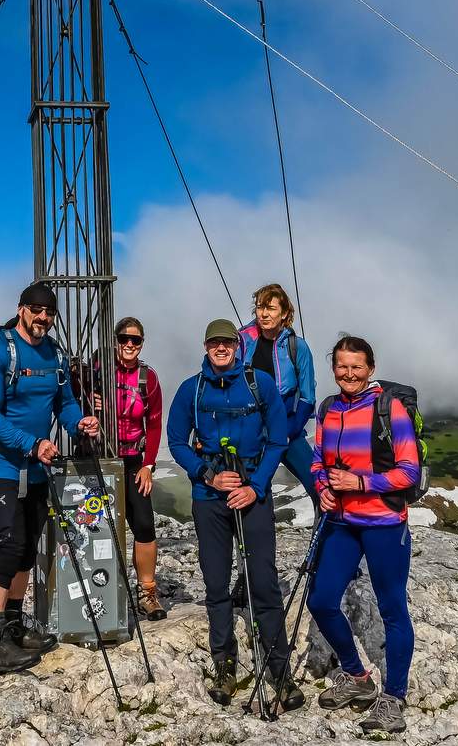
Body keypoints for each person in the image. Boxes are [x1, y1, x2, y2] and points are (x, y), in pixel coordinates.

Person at [167, 317, 304, 711]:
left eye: (227, 342)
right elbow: (177, 441)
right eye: (214, 343)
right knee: (215, 581)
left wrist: (254, 487)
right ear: (206, 347)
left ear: (237, 346)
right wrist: (207, 474)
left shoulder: (260, 384)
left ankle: (279, 668)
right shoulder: (191, 389)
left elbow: (278, 440)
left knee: (263, 580)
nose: (221, 348)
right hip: (208, 496)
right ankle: (224, 663)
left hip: (252, 494)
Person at [0, 281, 100, 674]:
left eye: (49, 312)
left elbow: (65, 402)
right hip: (1, 464)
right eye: (36, 310)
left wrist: (79, 423)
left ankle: (12, 627)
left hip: (38, 467)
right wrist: (32, 444)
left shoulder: (54, 353)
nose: (43, 318)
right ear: (21, 309)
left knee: (27, 548)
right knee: (7, 546)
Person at [306, 335, 419, 734]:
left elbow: (409, 472)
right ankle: (357, 677)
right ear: (333, 368)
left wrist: (360, 483)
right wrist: (322, 486)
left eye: (357, 367)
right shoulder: (328, 409)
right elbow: (318, 461)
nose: (349, 373)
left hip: (384, 523)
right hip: (342, 522)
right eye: (342, 366)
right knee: (321, 600)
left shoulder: (389, 409)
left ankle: (394, 698)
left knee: (392, 609)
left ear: (370, 368)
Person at [238, 283, 318, 510]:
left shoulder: (297, 347)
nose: (264, 314)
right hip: (252, 429)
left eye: (271, 308)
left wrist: (289, 432)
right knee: (254, 492)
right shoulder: (243, 342)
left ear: (284, 313)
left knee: (318, 486)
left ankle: (323, 530)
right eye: (260, 307)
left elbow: (308, 396)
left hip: (287, 427)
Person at [110, 315, 167, 620]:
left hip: (133, 459)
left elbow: (154, 424)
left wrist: (148, 465)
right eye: (124, 339)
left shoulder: (148, 378)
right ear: (115, 341)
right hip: (100, 457)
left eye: (136, 340)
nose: (129, 344)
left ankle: (147, 592)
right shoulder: (99, 370)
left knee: (144, 524)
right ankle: (104, 591)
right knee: (99, 526)